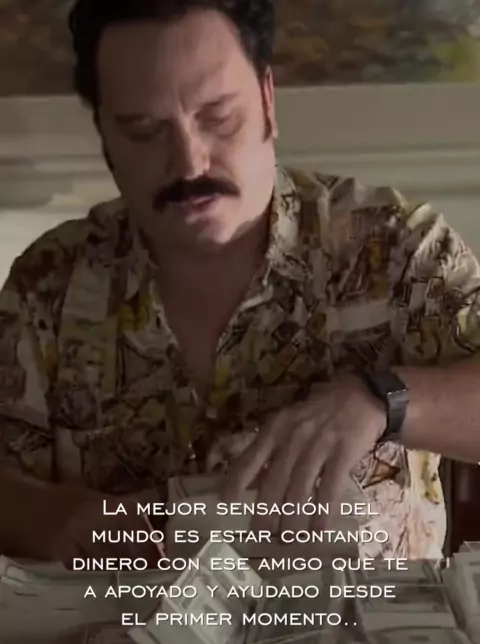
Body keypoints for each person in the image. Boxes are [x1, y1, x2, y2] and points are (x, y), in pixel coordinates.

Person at [1, 0, 480, 565]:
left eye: (218, 117)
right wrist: (50, 517)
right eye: (144, 131)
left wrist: (387, 401)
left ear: (267, 102)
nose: (189, 163)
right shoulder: (49, 283)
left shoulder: (396, 247)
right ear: (105, 136)